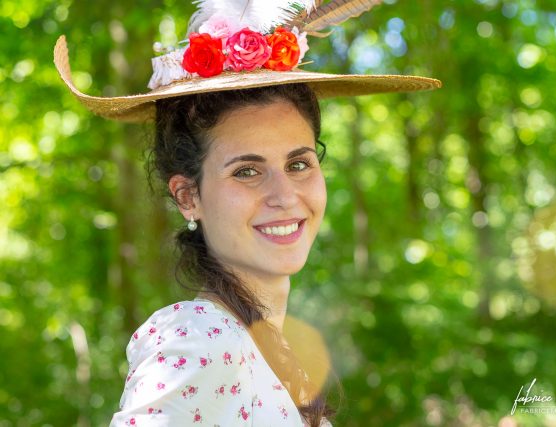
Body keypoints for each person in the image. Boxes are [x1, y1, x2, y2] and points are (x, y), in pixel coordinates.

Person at [53, 1, 441, 425]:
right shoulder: (198, 340)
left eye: (298, 163)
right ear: (187, 196)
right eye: (247, 171)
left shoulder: (265, 344)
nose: (284, 195)